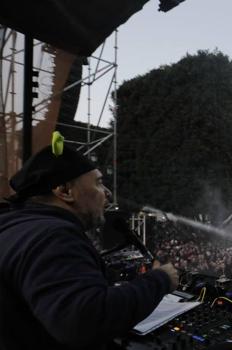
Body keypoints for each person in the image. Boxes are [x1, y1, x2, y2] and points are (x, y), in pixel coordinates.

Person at [0, 134, 179, 350]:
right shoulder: (53, 235)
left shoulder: (17, 226)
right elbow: (81, 320)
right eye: (99, 183)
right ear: (65, 191)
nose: (108, 193)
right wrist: (159, 280)